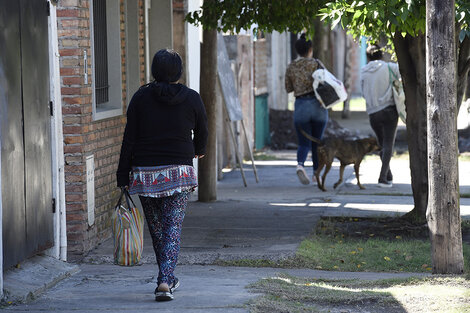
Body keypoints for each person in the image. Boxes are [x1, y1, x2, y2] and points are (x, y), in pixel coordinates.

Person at [116, 49, 208, 301]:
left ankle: (166, 277)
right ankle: (165, 280)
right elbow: (202, 130)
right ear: (178, 72)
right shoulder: (191, 98)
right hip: (178, 173)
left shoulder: (140, 98)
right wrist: (199, 151)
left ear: (155, 70)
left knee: (158, 230)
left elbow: (129, 139)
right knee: (172, 228)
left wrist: (122, 175)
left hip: (146, 174)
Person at [285, 34, 329, 185]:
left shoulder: (291, 66)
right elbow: (327, 81)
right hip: (318, 105)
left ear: (297, 50)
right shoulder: (316, 63)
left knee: (304, 142)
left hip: (301, 106)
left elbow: (288, 89)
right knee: (317, 142)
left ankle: (300, 165)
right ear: (310, 49)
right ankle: (317, 174)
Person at [360, 44, 400, 187]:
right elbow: (403, 78)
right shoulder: (389, 67)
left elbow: (363, 93)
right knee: (388, 144)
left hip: (373, 112)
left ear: (368, 57)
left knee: (382, 144)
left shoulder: (363, 72)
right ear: (381, 55)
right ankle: (383, 178)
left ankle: (388, 175)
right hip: (389, 110)